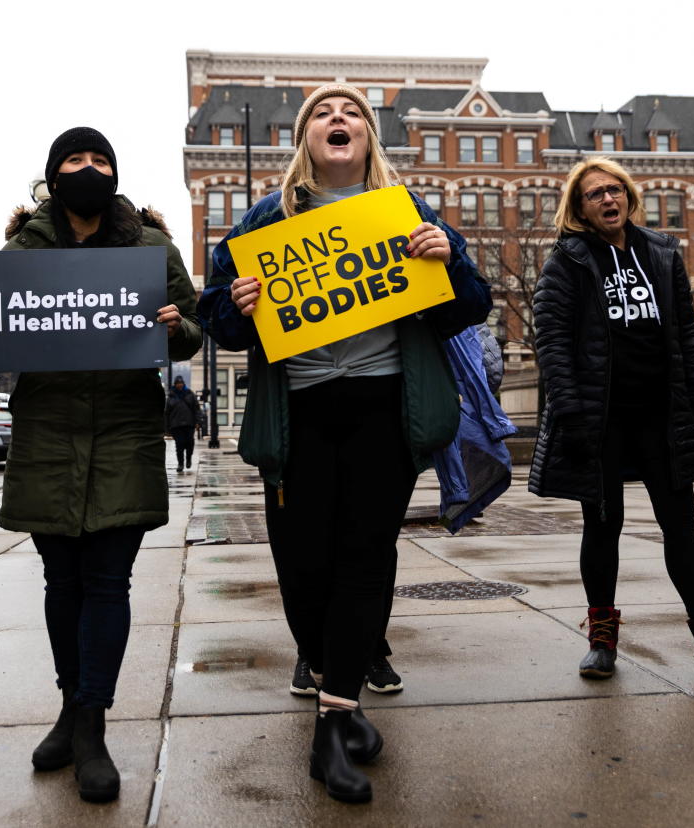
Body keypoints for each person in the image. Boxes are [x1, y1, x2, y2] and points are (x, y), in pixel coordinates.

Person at [198, 85, 490, 804]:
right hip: (299, 412)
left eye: (352, 112)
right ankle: (342, 695)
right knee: (303, 564)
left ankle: (334, 719)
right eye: (323, 114)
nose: (339, 119)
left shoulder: (408, 211)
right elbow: (217, 321)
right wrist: (237, 306)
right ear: (305, 138)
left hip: (382, 408)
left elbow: (472, 307)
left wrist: (448, 255)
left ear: (368, 136)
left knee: (365, 554)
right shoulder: (268, 218)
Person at [0, 127, 201, 803]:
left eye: (101, 159)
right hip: (47, 430)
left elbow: (191, 328)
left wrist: (172, 327)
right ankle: (70, 707)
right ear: (54, 172)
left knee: (108, 580)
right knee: (60, 580)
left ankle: (92, 721)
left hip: (124, 429)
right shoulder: (23, 249)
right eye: (76, 159)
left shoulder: (151, 246)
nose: (89, 168)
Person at [530, 157, 694, 681]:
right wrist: (571, 409)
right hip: (601, 419)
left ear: (628, 196)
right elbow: (552, 343)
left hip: (659, 416)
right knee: (603, 526)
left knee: (681, 526)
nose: (607, 199)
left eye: (614, 190)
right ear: (578, 209)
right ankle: (602, 640)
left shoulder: (660, 253)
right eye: (594, 194)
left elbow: (685, 330)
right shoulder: (568, 261)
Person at [165, 376, 201, 472]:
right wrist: (167, 428)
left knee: (190, 443)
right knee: (179, 445)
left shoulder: (190, 394)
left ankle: (188, 458)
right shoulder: (171, 396)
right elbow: (167, 413)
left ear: (183, 384)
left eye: (181, 383)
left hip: (189, 424)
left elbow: (196, 409)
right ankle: (180, 463)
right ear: (175, 385)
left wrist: (198, 422)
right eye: (177, 383)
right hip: (176, 425)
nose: (179, 385)